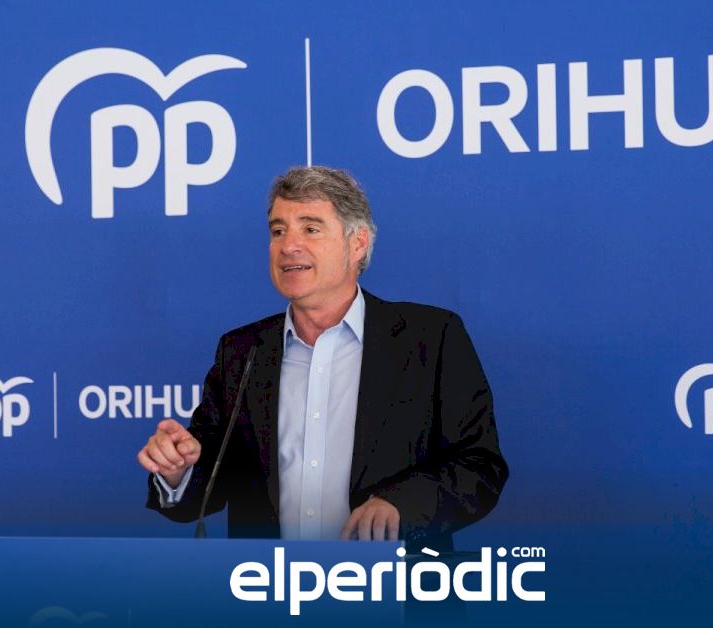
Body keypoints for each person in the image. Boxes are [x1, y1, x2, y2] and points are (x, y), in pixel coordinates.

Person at [137, 166, 507, 550]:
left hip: (397, 581)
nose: (288, 246)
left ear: (357, 243)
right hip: (267, 583)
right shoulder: (242, 352)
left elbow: (479, 466)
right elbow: (210, 481)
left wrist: (401, 505)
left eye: (310, 229)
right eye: (278, 231)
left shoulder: (431, 338)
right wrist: (178, 471)